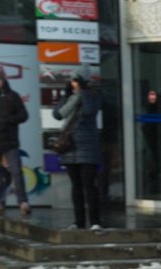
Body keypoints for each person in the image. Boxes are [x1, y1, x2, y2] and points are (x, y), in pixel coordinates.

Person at [52, 68, 103, 230]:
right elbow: (57, 114)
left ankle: (95, 221)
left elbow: (89, 111)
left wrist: (83, 93)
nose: (73, 84)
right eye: (72, 81)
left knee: (89, 185)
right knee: (76, 186)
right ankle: (78, 221)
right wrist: (70, 97)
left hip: (87, 146)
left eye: (77, 80)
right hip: (69, 146)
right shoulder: (68, 96)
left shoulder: (92, 95)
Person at [0, 68, 30, 217]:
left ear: (3, 80)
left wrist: (10, 120)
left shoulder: (12, 96)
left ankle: (23, 201)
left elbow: (24, 115)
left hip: (10, 142)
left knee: (16, 171)